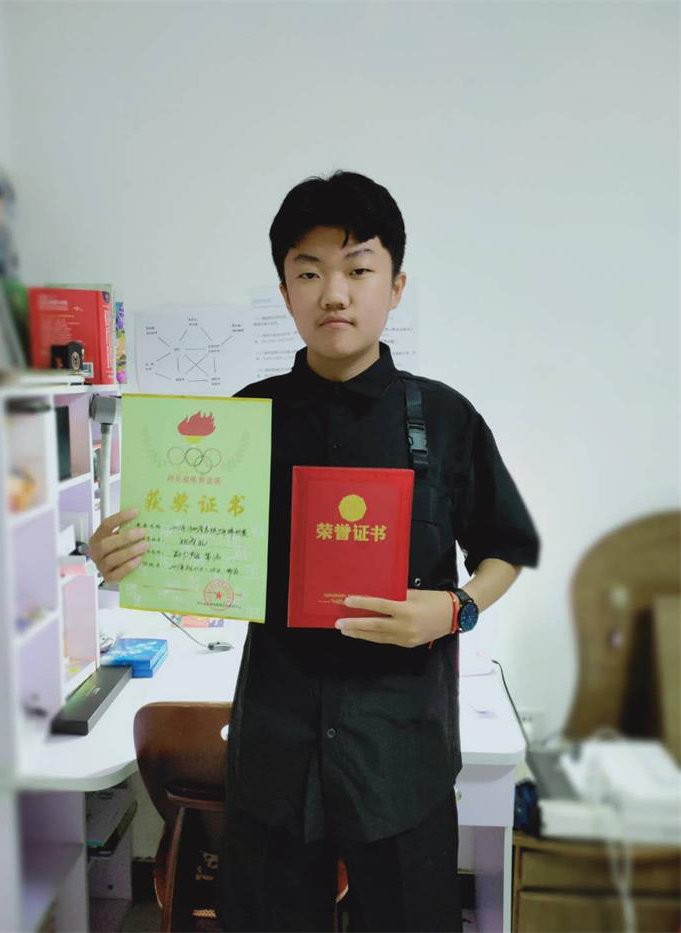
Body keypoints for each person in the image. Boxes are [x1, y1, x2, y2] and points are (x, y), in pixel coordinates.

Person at [89, 170, 539, 932]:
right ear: (286, 291)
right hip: (276, 756)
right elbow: (195, 552)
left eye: (358, 269)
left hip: (400, 758)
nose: (334, 293)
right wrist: (128, 555)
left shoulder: (444, 418)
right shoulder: (242, 421)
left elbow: (507, 546)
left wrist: (454, 608)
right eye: (309, 272)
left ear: (395, 286)